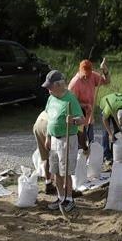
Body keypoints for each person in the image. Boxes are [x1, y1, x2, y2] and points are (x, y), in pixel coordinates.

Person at [43, 70, 83, 211]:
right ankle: (60, 198)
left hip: (67, 139)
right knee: (56, 171)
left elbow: (82, 119)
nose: (48, 89)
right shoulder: (51, 98)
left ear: (59, 85)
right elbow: (50, 119)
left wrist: (73, 121)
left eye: (50, 86)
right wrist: (48, 137)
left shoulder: (70, 99)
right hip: (54, 139)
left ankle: (69, 199)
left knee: (65, 171)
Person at [68, 58, 109, 153]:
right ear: (80, 71)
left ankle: (90, 162)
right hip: (79, 116)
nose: (87, 77)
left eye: (88, 74)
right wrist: (84, 105)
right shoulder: (75, 83)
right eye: (84, 74)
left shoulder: (93, 76)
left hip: (89, 116)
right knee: (80, 143)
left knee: (91, 142)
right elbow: (70, 103)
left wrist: (105, 71)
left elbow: (107, 81)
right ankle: (79, 162)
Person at [98, 91, 122, 163]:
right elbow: (104, 119)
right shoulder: (109, 108)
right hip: (105, 105)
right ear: (116, 116)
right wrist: (110, 134)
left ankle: (114, 153)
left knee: (118, 132)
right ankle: (106, 155)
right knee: (106, 133)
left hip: (116, 107)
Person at [31, 109, 54, 194]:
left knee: (46, 157)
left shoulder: (54, 102)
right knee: (59, 157)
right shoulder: (73, 107)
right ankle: (64, 187)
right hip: (48, 124)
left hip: (38, 124)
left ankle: (48, 183)